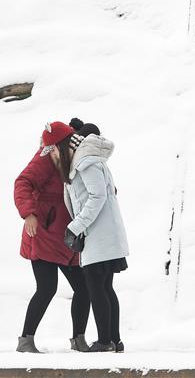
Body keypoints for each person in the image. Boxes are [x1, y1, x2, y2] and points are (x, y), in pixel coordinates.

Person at [13, 121, 91, 353]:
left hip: (66, 237)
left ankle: (79, 339)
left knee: (84, 288)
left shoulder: (72, 156)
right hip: (43, 233)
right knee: (47, 288)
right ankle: (26, 340)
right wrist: (29, 214)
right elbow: (23, 182)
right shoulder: (46, 157)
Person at [58, 119, 129, 353]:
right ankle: (114, 340)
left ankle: (105, 341)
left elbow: (96, 197)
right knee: (105, 288)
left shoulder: (86, 163)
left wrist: (75, 226)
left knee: (97, 288)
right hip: (104, 235)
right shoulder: (95, 162)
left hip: (98, 236)